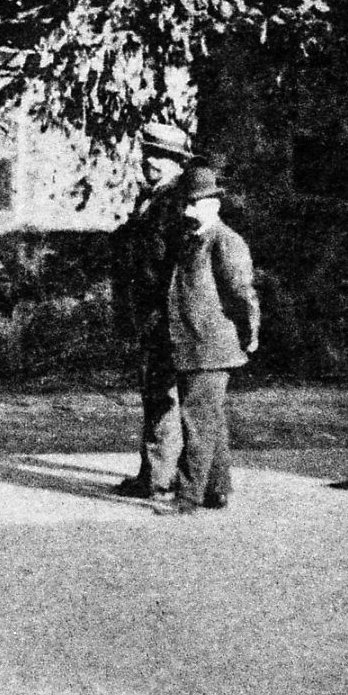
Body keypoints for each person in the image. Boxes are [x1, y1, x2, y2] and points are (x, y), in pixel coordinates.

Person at [153, 165, 260, 514]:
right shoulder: (191, 239)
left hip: (212, 347)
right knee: (210, 419)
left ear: (214, 204)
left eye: (194, 204)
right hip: (191, 345)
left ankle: (187, 498)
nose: (186, 210)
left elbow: (242, 295)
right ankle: (217, 489)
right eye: (185, 203)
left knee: (197, 423)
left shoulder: (226, 241)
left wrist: (250, 334)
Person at [113, 120, 194, 498]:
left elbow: (179, 267)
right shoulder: (151, 197)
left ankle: (159, 477)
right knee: (155, 392)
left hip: (166, 315)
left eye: (161, 156)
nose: (151, 162)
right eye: (148, 153)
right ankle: (157, 471)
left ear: (179, 163)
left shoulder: (178, 202)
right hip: (148, 313)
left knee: (163, 394)